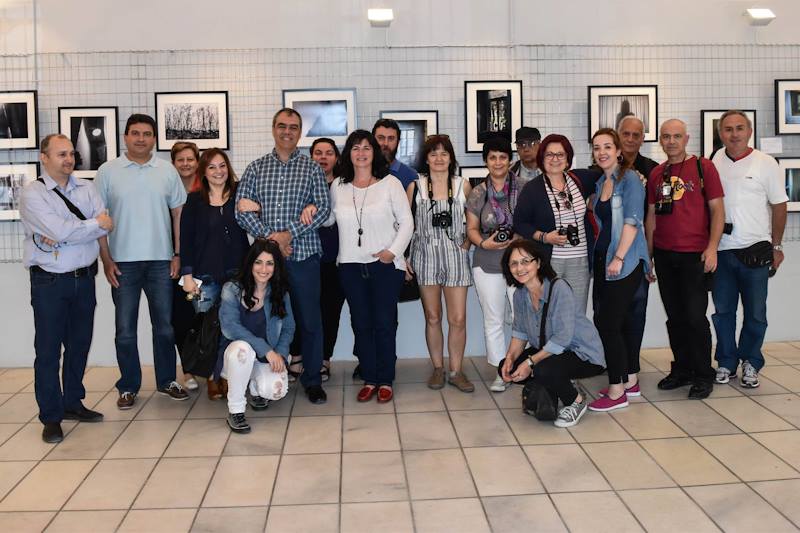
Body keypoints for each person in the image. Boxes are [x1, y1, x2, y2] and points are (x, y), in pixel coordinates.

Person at [20, 134, 113, 443]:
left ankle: (73, 402)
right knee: (48, 350)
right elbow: (64, 230)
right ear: (44, 157)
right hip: (50, 281)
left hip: (84, 279)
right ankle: (51, 416)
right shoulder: (33, 194)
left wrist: (73, 231)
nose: (69, 159)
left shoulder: (87, 188)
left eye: (71, 153)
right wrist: (92, 225)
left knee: (79, 345)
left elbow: (104, 224)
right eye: (61, 154)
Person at [235, 108, 331, 405]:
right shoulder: (255, 168)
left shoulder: (312, 168)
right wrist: (274, 241)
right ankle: (264, 378)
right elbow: (241, 211)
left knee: (310, 321)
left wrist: (289, 234)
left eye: (293, 127)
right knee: (265, 320)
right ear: (273, 129)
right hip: (266, 263)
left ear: (300, 132)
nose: (287, 131)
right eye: (282, 126)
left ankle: (312, 380)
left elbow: (323, 209)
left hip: (304, 257)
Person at [95, 114, 189, 409]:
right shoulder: (108, 171)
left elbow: (178, 214)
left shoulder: (167, 171)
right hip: (122, 263)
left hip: (161, 261)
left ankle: (166, 381)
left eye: (147, 134)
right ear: (125, 137)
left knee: (165, 327)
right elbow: (99, 220)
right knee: (125, 330)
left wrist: (177, 254)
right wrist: (106, 259)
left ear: (154, 139)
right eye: (135, 133)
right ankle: (128, 386)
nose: (140, 139)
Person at [326, 130, 413, 403]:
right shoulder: (338, 186)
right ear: (348, 153)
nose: (361, 153)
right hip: (350, 266)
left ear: (374, 152)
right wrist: (309, 209)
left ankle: (385, 379)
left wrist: (392, 252)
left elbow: (407, 222)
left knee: (384, 323)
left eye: (366, 147)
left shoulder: (390, 183)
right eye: (355, 148)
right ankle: (370, 377)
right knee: (361, 323)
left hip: (384, 265)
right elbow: (329, 220)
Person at [645, 118, 725, 399]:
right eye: (666, 136)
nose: (671, 141)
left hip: (695, 255)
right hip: (665, 255)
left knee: (694, 317)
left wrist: (712, 247)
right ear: (661, 140)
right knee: (675, 317)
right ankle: (682, 369)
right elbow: (651, 217)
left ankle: (703, 374)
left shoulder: (704, 167)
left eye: (676, 136)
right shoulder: (657, 174)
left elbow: (718, 210)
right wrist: (649, 256)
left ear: (686, 139)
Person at [711, 110, 788, 388]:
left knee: (755, 313)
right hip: (722, 251)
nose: (734, 134)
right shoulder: (714, 160)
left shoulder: (766, 163)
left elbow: (779, 206)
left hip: (756, 250)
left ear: (749, 131)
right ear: (721, 134)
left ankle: (751, 362)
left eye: (739, 128)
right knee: (723, 312)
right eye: (728, 129)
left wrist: (776, 245)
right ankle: (726, 362)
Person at [500, 241, 605, 428]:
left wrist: (530, 362)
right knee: (507, 367)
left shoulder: (558, 288)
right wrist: (510, 358)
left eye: (525, 261)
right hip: (552, 351)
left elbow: (562, 339)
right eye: (514, 263)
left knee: (542, 369)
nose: (519, 268)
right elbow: (520, 332)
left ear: (538, 263)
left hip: (582, 353)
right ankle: (562, 382)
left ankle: (576, 401)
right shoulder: (520, 294)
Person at [586, 129, 650, 412]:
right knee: (616, 322)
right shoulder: (602, 182)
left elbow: (633, 221)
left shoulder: (630, 179)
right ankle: (630, 381)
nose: (602, 152)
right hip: (603, 259)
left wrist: (619, 257)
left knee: (608, 324)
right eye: (597, 147)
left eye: (607, 147)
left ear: (618, 151)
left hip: (624, 261)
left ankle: (616, 392)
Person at [180, 148, 250, 399]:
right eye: (212, 167)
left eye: (222, 166)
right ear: (203, 172)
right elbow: (186, 241)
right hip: (204, 277)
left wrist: (256, 206)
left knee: (231, 327)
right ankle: (212, 376)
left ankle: (228, 375)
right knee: (208, 330)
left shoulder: (241, 194)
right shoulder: (194, 201)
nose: (218, 171)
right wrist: (188, 276)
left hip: (237, 275)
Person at [407, 135, 474, 392]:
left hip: (455, 255)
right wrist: (405, 257)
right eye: (433, 153)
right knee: (433, 316)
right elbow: (404, 224)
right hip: (425, 256)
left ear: (451, 158)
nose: (439, 158)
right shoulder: (415, 187)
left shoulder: (462, 186)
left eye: (444, 153)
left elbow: (475, 221)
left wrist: (466, 243)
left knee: (458, 318)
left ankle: (456, 370)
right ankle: (438, 368)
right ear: (426, 158)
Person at [465, 136, 525, 392]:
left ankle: (522, 366)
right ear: (485, 161)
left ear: (510, 160)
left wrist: (517, 239)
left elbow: (531, 222)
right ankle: (502, 370)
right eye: (492, 157)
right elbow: (471, 229)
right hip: (486, 263)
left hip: (521, 264)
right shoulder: (478, 193)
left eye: (502, 157)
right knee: (493, 320)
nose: (498, 162)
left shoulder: (524, 188)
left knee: (523, 317)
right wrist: (484, 243)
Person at [513, 134, 598, 314]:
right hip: (550, 261)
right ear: (542, 158)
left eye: (560, 154)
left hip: (580, 261)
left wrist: (635, 174)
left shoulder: (580, 179)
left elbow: (608, 173)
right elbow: (520, 223)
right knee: (549, 313)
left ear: (568, 159)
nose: (555, 159)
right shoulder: (532, 189)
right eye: (549, 154)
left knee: (577, 314)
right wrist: (544, 237)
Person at [219, 239, 294, 433]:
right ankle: (236, 411)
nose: (264, 269)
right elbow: (230, 327)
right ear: (250, 263)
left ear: (276, 267)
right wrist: (266, 350)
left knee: (276, 390)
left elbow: (288, 328)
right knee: (243, 350)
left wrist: (280, 354)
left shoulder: (280, 292)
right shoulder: (232, 289)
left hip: (265, 356)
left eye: (270, 263)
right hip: (234, 356)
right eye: (258, 262)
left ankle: (255, 387)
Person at [295, 138, 345, 381]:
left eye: (329, 153)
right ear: (311, 156)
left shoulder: (344, 185)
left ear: (336, 158)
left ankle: (324, 359)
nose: (323, 157)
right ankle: (296, 357)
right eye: (318, 153)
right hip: (304, 256)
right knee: (299, 309)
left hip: (335, 260)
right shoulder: (301, 183)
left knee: (330, 311)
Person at [617, 116, 658, 384]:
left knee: (636, 310)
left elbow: (653, 217)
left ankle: (631, 364)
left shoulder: (653, 170)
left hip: (638, 252)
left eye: (636, 135)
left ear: (643, 138)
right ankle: (615, 362)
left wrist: (649, 257)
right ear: (618, 135)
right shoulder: (603, 166)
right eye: (626, 134)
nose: (631, 139)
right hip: (610, 251)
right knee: (609, 312)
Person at [170, 141, 201, 391]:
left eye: (190, 159)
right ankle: (188, 369)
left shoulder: (208, 187)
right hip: (175, 261)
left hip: (204, 261)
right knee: (181, 318)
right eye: (180, 159)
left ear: (198, 162)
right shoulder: (167, 188)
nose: (186, 164)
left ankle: (211, 369)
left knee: (205, 316)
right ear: (173, 163)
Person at [372, 118, 417, 189]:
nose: (386, 143)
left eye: (391, 138)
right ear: (372, 140)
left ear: (398, 142)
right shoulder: (365, 171)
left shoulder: (411, 176)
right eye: (381, 138)